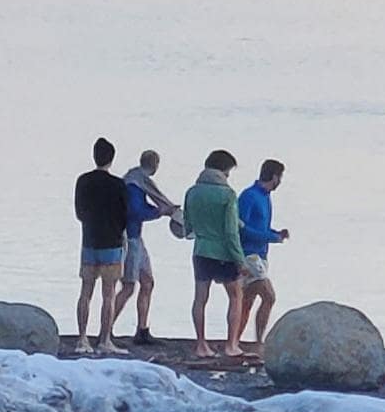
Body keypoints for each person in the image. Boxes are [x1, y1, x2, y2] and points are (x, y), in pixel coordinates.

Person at [181, 147, 246, 360]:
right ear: (224, 171)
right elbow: (230, 232)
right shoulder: (228, 194)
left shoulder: (192, 191)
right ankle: (231, 345)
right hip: (223, 253)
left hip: (200, 250)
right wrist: (240, 259)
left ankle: (201, 345)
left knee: (200, 298)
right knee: (235, 296)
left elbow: (187, 226)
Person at [72, 136, 131, 353]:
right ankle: (105, 340)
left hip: (89, 241)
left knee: (85, 291)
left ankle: (81, 339)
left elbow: (79, 212)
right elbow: (125, 215)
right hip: (112, 243)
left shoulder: (83, 180)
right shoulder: (118, 184)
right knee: (108, 294)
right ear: (111, 159)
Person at [115, 148, 181, 344]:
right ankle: (106, 328)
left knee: (147, 282)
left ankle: (142, 330)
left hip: (137, 239)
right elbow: (135, 211)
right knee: (128, 286)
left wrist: (161, 210)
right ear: (155, 165)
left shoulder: (137, 178)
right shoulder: (134, 183)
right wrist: (159, 212)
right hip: (129, 238)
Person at [235, 159, 290, 355]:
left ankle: (234, 342)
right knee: (269, 296)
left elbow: (261, 227)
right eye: (280, 177)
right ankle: (259, 343)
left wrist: (276, 233)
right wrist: (271, 237)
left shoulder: (265, 197)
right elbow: (241, 228)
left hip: (261, 254)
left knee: (247, 300)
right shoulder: (248, 196)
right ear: (274, 176)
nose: (280, 181)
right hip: (249, 255)